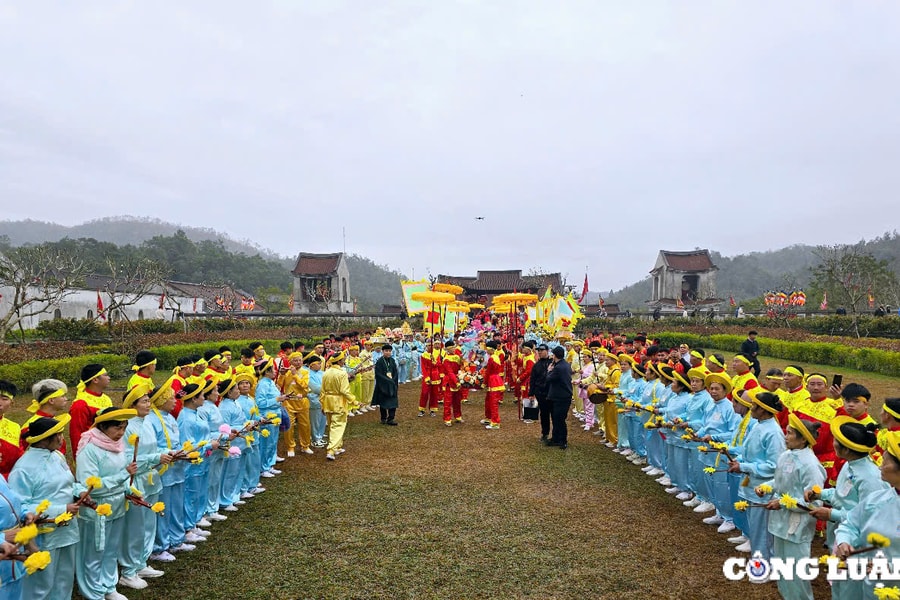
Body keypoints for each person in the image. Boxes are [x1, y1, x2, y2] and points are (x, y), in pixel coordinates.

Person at [9, 414, 79, 600]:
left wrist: (80, 493)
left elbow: (68, 483)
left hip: (67, 529)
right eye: (58, 435)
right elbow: (20, 506)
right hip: (44, 534)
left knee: (64, 577)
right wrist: (61, 509)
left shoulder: (57, 455)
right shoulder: (24, 468)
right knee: (41, 584)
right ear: (45, 439)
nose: (62, 438)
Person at [75, 406, 139, 600]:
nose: (121, 433)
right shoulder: (90, 448)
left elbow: (121, 474)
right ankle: (93, 592)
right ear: (103, 427)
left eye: (124, 428)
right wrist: (123, 475)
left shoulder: (117, 444)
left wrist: (130, 491)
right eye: (117, 428)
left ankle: (109, 586)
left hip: (117, 505)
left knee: (111, 550)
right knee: (95, 552)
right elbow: (91, 486)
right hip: (97, 508)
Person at [759, 415, 825, 600]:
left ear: (803, 439)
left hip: (797, 526)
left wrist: (781, 503)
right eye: (786, 432)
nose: (785, 436)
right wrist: (766, 487)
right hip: (780, 523)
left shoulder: (810, 464)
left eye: (789, 433)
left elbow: (814, 502)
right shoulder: (786, 455)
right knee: (782, 569)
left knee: (796, 572)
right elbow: (779, 481)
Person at [834, 431, 900, 600]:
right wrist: (844, 541)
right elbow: (851, 524)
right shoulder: (878, 498)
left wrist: (893, 569)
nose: (880, 466)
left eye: (886, 461)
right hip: (868, 585)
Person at [119, 385, 173, 590]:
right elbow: (127, 459)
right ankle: (128, 571)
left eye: (149, 401)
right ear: (132, 405)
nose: (149, 404)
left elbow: (155, 447)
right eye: (144, 401)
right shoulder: (127, 427)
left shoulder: (147, 422)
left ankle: (141, 562)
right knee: (135, 528)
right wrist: (155, 458)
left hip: (151, 478)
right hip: (136, 481)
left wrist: (165, 453)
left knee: (149, 524)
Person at [728, 392, 786, 560]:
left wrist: (744, 467)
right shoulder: (758, 425)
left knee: (762, 533)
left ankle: (763, 564)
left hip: (763, 489)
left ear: (763, 410)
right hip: (751, 486)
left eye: (754, 406)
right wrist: (739, 460)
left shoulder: (773, 433)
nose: (751, 408)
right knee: (755, 528)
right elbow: (750, 453)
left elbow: (774, 466)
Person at [69, 364, 113, 458]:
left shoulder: (106, 398)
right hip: (91, 452)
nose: (109, 378)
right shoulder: (81, 404)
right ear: (95, 380)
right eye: (105, 375)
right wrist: (79, 457)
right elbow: (76, 433)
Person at [321, 351, 355, 460]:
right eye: (343, 360)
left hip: (328, 401)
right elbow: (344, 390)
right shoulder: (342, 373)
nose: (344, 361)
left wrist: (322, 404)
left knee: (332, 425)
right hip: (338, 401)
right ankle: (331, 450)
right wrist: (354, 401)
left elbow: (322, 390)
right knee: (338, 425)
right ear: (339, 361)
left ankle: (338, 446)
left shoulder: (326, 372)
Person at [277, 352, 312, 457]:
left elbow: (304, 385)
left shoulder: (305, 372)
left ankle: (305, 445)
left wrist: (295, 375)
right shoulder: (287, 372)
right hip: (289, 402)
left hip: (302, 401)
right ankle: (290, 446)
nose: (298, 362)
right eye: (295, 360)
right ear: (290, 362)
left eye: (299, 360)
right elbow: (279, 385)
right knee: (289, 426)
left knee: (305, 425)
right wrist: (282, 374)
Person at [544, 345, 573, 449]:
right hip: (562, 396)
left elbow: (548, 378)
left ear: (555, 355)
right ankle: (555, 438)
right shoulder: (565, 364)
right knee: (556, 418)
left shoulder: (558, 368)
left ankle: (562, 440)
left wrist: (549, 370)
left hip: (560, 397)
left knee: (559, 419)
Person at [530, 344, 553, 442]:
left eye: (542, 350)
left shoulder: (552, 363)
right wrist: (531, 393)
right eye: (538, 350)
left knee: (554, 414)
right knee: (544, 414)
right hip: (540, 393)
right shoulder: (536, 365)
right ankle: (545, 433)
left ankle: (555, 435)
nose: (539, 352)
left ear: (547, 351)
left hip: (552, 392)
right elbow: (532, 379)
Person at [0, 380, 23, 478]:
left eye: (4, 399)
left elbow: (20, 457)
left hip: (9, 481)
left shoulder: (15, 427)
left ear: (11, 403)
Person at [373, 344, 399, 425]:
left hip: (392, 384)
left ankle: (391, 418)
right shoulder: (380, 361)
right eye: (386, 351)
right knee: (383, 402)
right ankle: (383, 418)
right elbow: (378, 374)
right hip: (383, 385)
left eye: (389, 351)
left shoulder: (392, 361)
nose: (388, 352)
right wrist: (387, 380)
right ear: (383, 351)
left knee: (393, 402)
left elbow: (395, 372)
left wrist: (393, 380)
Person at [481, 341, 505, 430]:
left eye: (487, 349)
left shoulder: (492, 358)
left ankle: (495, 422)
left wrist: (484, 382)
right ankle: (489, 418)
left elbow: (488, 372)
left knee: (493, 402)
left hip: (493, 380)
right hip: (494, 380)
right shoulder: (495, 357)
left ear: (491, 349)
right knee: (488, 400)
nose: (486, 351)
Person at [304, 354, 327, 448]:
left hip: (324, 399)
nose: (320, 365)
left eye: (320, 363)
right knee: (315, 421)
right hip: (314, 400)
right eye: (318, 363)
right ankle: (315, 439)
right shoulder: (307, 374)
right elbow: (315, 388)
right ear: (312, 365)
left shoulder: (322, 373)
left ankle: (320, 436)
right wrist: (327, 390)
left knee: (323, 420)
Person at [441, 340, 463, 426]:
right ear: (448, 349)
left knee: (457, 400)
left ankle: (458, 416)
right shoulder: (446, 359)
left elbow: (460, 367)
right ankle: (447, 418)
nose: (454, 349)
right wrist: (456, 381)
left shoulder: (457, 357)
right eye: (452, 348)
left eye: (454, 347)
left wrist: (462, 361)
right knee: (448, 401)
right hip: (449, 381)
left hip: (456, 379)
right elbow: (450, 372)